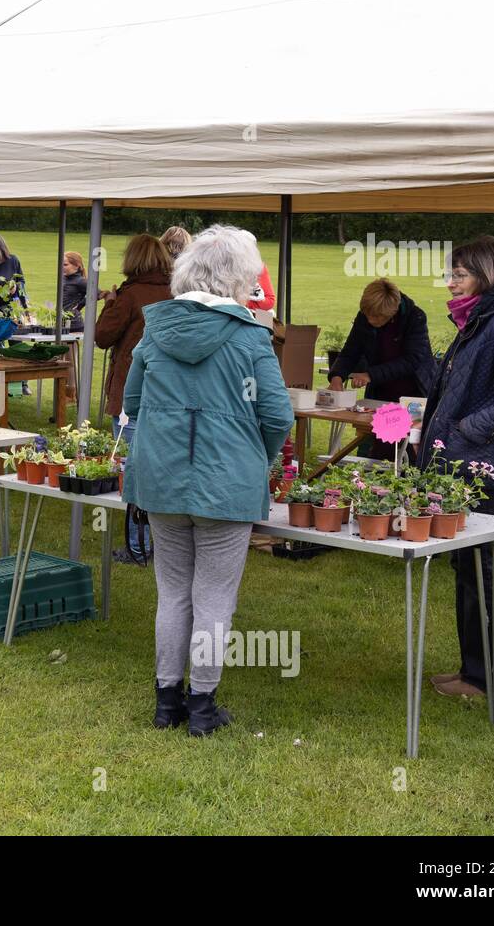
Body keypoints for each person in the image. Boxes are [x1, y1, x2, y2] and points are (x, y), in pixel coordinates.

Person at [121, 224, 294, 736]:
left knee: (172, 592)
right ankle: (201, 707)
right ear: (241, 279)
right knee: (214, 597)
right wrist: (254, 458)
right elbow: (278, 415)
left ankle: (166, 703)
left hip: (162, 478)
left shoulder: (157, 330)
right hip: (225, 484)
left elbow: (132, 405)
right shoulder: (249, 338)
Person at [419, 236, 494, 700]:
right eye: (451, 273)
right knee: (468, 571)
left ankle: (493, 680)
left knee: (483, 574)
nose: (450, 282)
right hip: (463, 464)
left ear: (486, 275)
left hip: (482, 467)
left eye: (459, 274)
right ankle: (474, 672)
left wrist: (469, 427)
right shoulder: (480, 318)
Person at [95, 233, 174, 564]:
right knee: (163, 467)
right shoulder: (176, 292)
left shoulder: (130, 295)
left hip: (132, 389)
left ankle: (137, 546)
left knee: (132, 468)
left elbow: (101, 337)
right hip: (168, 390)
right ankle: (164, 544)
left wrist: (111, 302)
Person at [328, 278, 437, 405]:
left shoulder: (415, 317)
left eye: (377, 316)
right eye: (367, 314)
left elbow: (411, 360)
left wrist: (370, 375)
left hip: (414, 396)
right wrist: (337, 376)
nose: (370, 320)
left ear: (392, 312)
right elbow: (350, 351)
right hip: (380, 395)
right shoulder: (364, 317)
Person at [59, 250, 87, 332]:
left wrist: (79, 306)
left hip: (74, 323)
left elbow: (97, 293)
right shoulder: (64, 278)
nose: (62, 267)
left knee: (68, 343)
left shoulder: (80, 281)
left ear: (77, 266)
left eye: (65, 265)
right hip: (61, 320)